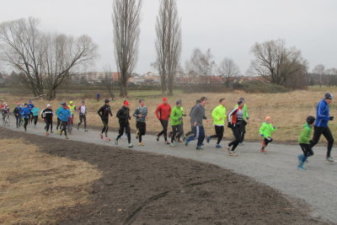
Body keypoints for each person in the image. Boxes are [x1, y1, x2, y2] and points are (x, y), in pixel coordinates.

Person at [310, 93, 335, 162]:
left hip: (324, 126)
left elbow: (325, 113)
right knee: (315, 141)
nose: (330, 100)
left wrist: (329, 117)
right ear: (326, 98)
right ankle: (305, 151)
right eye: (329, 99)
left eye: (331, 99)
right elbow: (319, 115)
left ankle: (328, 156)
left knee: (331, 140)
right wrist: (328, 118)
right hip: (319, 126)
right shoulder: (321, 104)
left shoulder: (326, 104)